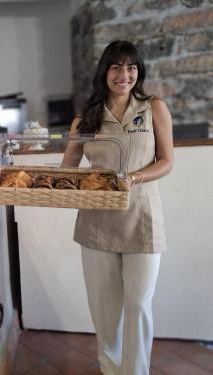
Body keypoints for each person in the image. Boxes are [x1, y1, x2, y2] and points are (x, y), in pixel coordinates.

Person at [62, 40, 173, 375]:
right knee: (106, 312)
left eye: (131, 67)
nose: (124, 75)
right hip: (97, 222)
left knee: (138, 304)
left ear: (138, 72)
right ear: (104, 71)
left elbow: (166, 161)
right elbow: (69, 165)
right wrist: (50, 182)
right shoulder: (86, 118)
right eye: (116, 67)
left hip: (142, 218)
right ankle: (111, 371)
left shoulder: (153, 108)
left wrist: (135, 177)